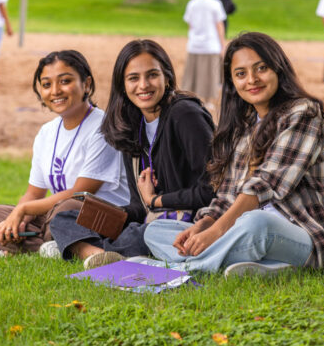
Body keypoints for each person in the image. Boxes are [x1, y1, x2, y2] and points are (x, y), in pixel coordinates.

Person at [144, 32, 324, 276]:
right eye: (241, 74)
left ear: (278, 69)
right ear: (233, 83)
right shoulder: (243, 127)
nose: (252, 80)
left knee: (257, 223)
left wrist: (217, 232)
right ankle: (269, 268)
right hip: (246, 232)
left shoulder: (304, 113)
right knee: (157, 230)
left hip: (307, 234)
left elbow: (265, 183)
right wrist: (204, 225)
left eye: (262, 68)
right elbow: (227, 196)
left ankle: (184, 268)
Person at [48, 40, 216, 269]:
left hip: (184, 224)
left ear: (166, 76)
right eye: (133, 78)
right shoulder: (131, 124)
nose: (143, 85)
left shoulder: (185, 114)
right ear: (123, 84)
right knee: (67, 216)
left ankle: (82, 248)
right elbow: (139, 207)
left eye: (152, 75)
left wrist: (157, 200)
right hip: (149, 220)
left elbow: (212, 189)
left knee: (144, 234)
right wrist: (109, 215)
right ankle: (97, 252)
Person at [0, 50, 130, 256]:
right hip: (55, 216)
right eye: (47, 84)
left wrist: (24, 210)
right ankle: (53, 246)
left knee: (67, 208)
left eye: (65, 81)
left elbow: (81, 193)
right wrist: (17, 221)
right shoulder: (46, 132)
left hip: (99, 215)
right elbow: (33, 193)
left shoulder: (103, 127)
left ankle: (41, 245)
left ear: (86, 84)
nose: (55, 91)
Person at [182, 0, 226, 103]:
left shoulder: (192, 3)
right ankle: (208, 101)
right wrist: (222, 44)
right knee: (210, 75)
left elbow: (190, 24)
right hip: (211, 45)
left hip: (195, 45)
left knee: (193, 74)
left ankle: (192, 99)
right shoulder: (215, 4)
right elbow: (219, 26)